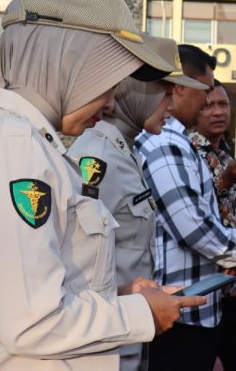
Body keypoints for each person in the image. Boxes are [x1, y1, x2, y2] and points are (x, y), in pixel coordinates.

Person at [0, 0, 205, 371]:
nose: (111, 101)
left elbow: (41, 283)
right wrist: (139, 315)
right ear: (68, 64)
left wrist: (122, 294)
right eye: (106, 81)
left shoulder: (29, 141)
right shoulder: (15, 148)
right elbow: (33, 322)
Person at [69, 36, 208, 371]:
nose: (171, 104)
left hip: (128, 336)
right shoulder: (96, 158)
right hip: (100, 344)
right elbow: (75, 265)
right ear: (127, 88)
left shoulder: (123, 152)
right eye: (164, 90)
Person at [136, 45, 236, 371]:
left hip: (185, 308)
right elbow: (193, 226)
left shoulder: (175, 139)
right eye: (204, 91)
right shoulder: (166, 142)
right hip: (180, 313)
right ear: (180, 87)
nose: (207, 103)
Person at [189, 80, 236, 371]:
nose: (217, 112)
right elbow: (189, 212)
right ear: (195, 109)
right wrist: (224, 181)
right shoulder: (185, 152)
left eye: (223, 104)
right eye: (208, 105)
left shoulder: (227, 156)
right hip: (204, 287)